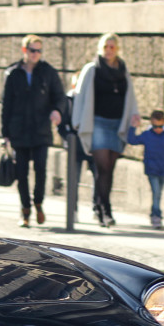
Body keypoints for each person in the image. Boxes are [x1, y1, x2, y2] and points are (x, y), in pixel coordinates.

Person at [70, 32, 139, 227]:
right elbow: (80, 96)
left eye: (112, 47)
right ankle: (104, 209)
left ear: (117, 49)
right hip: (98, 122)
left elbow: (130, 96)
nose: (109, 50)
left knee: (111, 168)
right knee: (102, 167)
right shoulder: (92, 69)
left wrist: (134, 114)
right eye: (105, 47)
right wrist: (77, 122)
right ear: (101, 49)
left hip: (117, 124)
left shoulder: (123, 70)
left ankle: (101, 206)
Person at [0, 34, 67, 227]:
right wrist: (5, 133)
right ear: (24, 51)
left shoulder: (48, 72)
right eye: (32, 50)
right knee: (21, 173)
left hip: (40, 130)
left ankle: (38, 203)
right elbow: (6, 105)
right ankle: (25, 210)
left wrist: (57, 111)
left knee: (40, 170)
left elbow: (60, 97)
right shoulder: (13, 74)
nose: (36, 54)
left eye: (39, 50)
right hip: (18, 130)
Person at [127, 110, 164, 229]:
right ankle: (157, 216)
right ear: (151, 123)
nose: (158, 129)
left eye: (160, 126)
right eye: (155, 126)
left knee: (159, 193)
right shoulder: (147, 135)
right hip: (152, 170)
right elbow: (132, 140)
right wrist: (133, 127)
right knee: (156, 193)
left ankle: (154, 214)